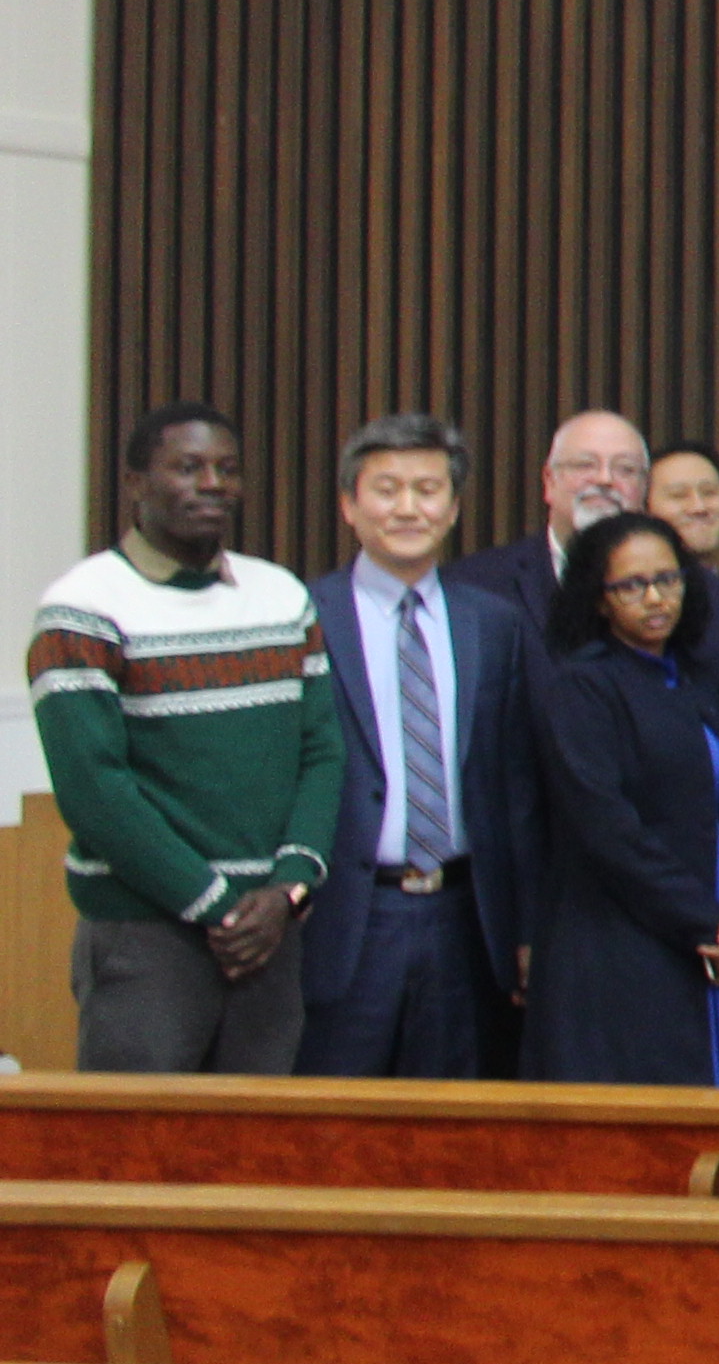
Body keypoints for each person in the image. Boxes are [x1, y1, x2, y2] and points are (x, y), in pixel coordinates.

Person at [36, 407, 338, 1076]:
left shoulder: (280, 596)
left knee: (258, 1159)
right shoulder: (82, 607)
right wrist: (219, 907)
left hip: (268, 936)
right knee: (135, 1156)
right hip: (148, 937)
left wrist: (289, 888)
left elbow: (322, 753)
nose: (213, 484)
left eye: (227, 469)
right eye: (188, 467)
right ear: (137, 482)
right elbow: (95, 793)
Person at [305, 412, 536, 1081]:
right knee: (331, 1134)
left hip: (466, 919)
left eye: (428, 489)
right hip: (349, 915)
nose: (408, 507)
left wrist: (524, 927)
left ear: (455, 506)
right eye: (387, 488)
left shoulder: (492, 624)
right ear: (350, 505)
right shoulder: (306, 616)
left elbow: (514, 786)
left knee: (451, 1139)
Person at [523, 513, 719, 1086]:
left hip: (713, 942)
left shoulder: (696, 680)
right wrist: (708, 922)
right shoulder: (582, 687)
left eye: (669, 579)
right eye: (632, 586)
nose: (656, 598)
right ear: (599, 600)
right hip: (620, 949)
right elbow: (608, 829)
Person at [445, 409, 648, 621]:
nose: (605, 479)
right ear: (550, 482)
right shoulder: (476, 583)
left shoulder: (673, 587)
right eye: (585, 465)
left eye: (626, 469)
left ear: (644, 489)